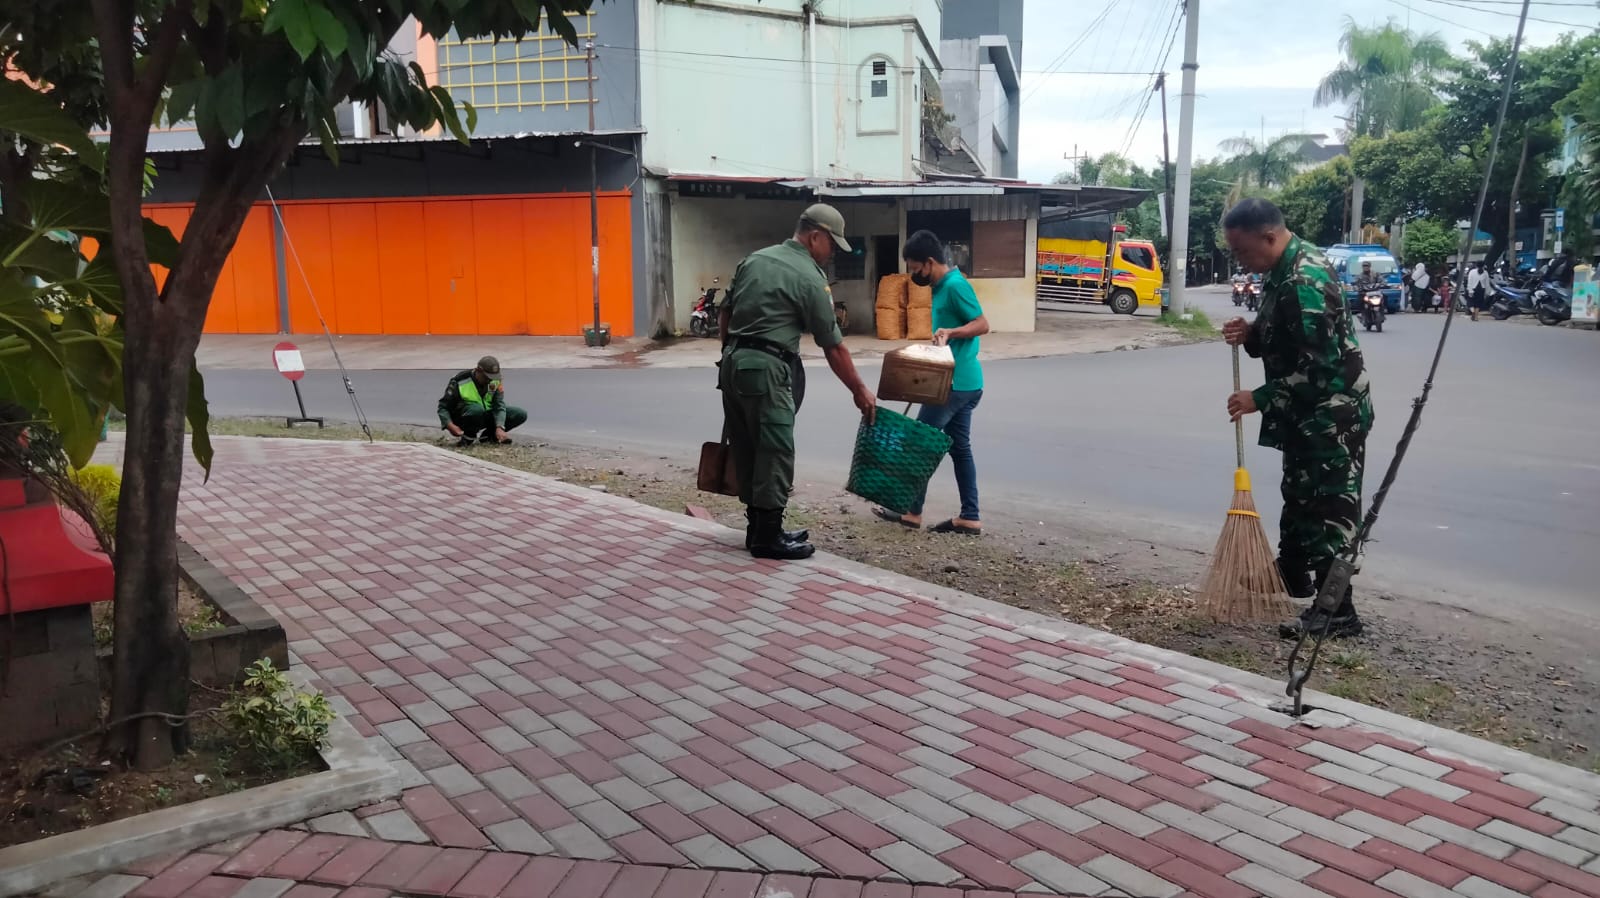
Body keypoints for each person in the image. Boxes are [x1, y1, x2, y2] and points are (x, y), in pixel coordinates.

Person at [1220, 198, 1374, 640]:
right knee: (1300, 493)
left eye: (1243, 251)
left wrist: (1261, 397)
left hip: (1332, 412)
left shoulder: (1305, 279)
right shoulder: (1280, 272)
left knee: (1330, 507)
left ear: (1269, 236)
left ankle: (1338, 610)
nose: (1241, 261)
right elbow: (1281, 338)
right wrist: (1249, 334)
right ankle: (1293, 572)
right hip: (1306, 413)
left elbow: (1321, 367)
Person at [719, 204, 876, 561]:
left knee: (748, 447)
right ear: (814, 236)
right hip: (767, 368)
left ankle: (757, 528)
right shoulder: (809, 277)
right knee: (775, 449)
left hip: (732, 364)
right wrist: (860, 390)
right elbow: (833, 346)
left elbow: (725, 312)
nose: (832, 253)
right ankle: (767, 538)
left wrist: (730, 354)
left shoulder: (755, 259)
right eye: (831, 245)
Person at [873, 230, 990, 535]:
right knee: (960, 449)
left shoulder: (955, 285)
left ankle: (911, 512)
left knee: (917, 444)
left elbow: (982, 324)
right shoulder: (941, 287)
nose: (914, 275)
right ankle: (970, 517)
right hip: (962, 382)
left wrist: (951, 332)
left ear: (929, 262)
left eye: (915, 269)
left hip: (953, 384)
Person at [438, 356, 526, 445]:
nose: (489, 381)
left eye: (492, 378)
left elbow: (499, 405)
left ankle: (489, 437)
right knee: (476, 409)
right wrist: (449, 425)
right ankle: (468, 437)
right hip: (465, 416)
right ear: (477, 371)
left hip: (485, 414)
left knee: (519, 414)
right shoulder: (460, 381)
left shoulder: (495, 381)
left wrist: (500, 427)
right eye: (486, 377)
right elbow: (443, 407)